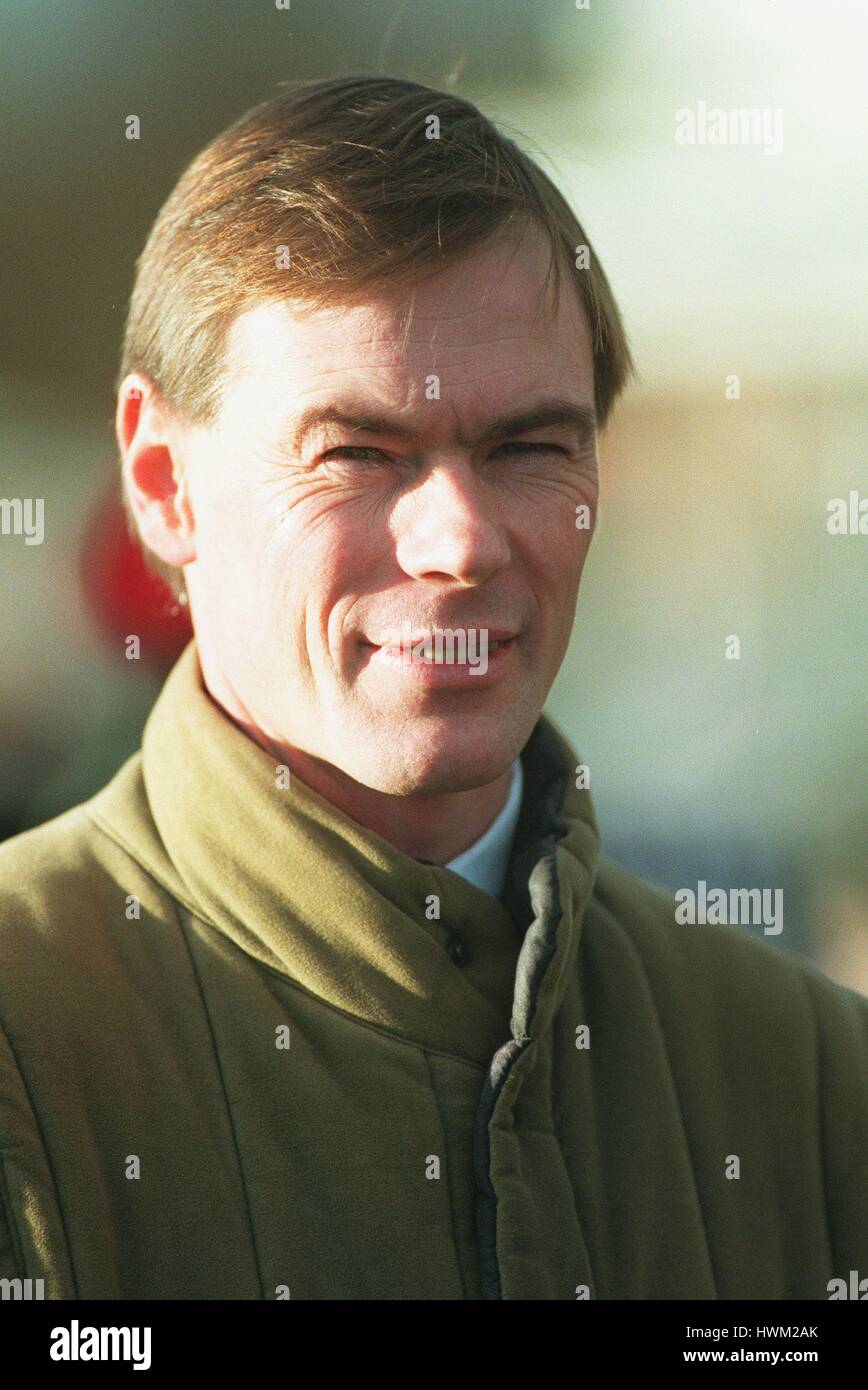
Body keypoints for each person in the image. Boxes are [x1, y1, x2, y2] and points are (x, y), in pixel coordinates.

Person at [0, 76, 865, 1301]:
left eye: (528, 446)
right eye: (356, 451)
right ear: (162, 481)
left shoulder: (810, 1078)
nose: (460, 540)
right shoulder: (28, 1041)